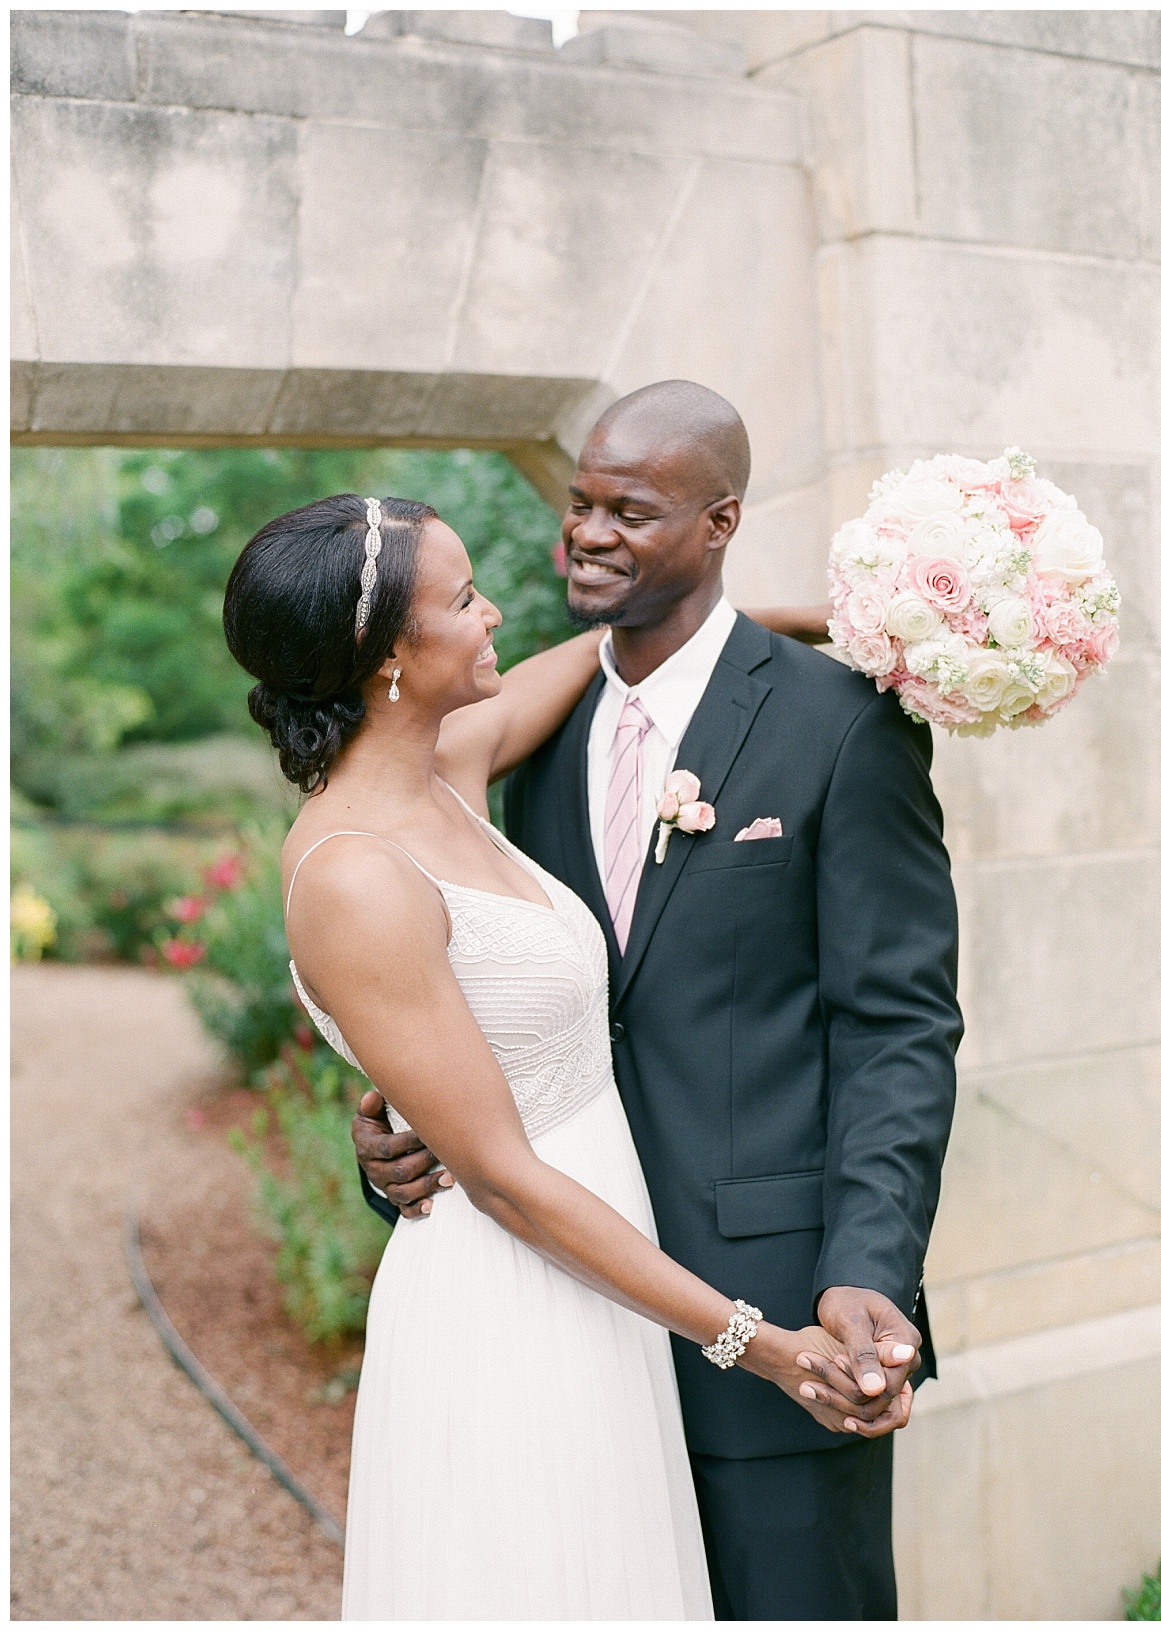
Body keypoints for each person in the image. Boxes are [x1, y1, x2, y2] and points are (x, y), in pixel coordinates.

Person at [223, 491, 911, 1622]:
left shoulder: (445, 761)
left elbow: (613, 649)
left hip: (604, 1276)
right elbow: (499, 1175)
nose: (495, 610)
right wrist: (762, 1343)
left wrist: (857, 625)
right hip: (512, 1299)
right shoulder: (353, 871)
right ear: (391, 653)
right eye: (463, 597)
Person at [354, 381, 962, 1620]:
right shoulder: (532, 735)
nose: (585, 531)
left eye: (628, 510)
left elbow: (899, 1026)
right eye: (578, 502)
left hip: (784, 1326)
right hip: (568, 1339)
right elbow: (487, 998)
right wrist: (394, 1136)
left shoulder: (844, 726)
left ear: (720, 520)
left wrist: (869, 1269)